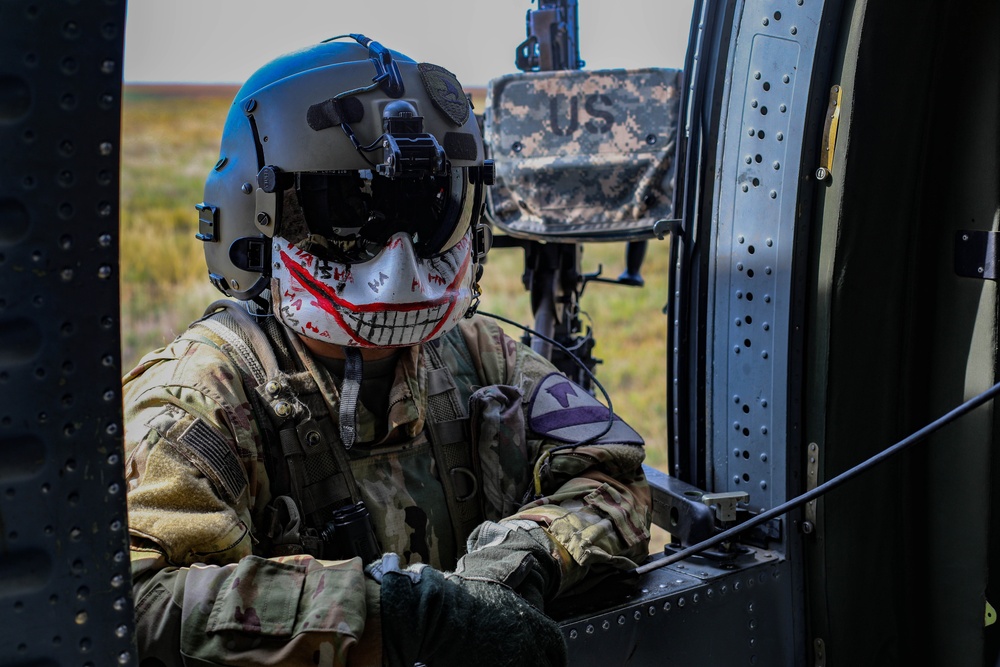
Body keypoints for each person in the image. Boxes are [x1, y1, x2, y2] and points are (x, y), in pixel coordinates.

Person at [123, 34, 651, 667]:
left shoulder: (478, 356)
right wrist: (388, 616)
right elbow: (137, 603)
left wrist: (530, 553)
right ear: (252, 219)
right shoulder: (198, 399)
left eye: (427, 210)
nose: (397, 258)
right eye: (346, 210)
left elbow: (611, 475)